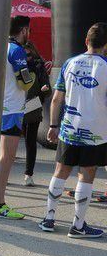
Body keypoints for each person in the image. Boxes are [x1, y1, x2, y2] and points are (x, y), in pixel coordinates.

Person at [40, 22, 107, 239]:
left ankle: (49, 219)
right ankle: (77, 226)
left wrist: (52, 125)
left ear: (86, 41)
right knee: (86, 175)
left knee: (60, 171)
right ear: (106, 45)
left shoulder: (70, 63)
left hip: (69, 128)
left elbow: (57, 98)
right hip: (95, 131)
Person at [0, 15, 35, 220]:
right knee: (7, 157)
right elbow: (25, 83)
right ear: (24, 30)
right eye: (29, 30)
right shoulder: (17, 50)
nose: (29, 34)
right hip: (12, 109)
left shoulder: (0, 46)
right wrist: (34, 71)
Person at [22, 40, 51, 187]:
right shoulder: (16, 66)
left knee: (30, 142)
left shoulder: (39, 67)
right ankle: (3, 173)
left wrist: (43, 90)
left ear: (33, 53)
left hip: (33, 107)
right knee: (7, 143)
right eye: (23, 54)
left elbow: (48, 91)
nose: (26, 58)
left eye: (28, 54)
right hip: (15, 108)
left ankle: (28, 174)